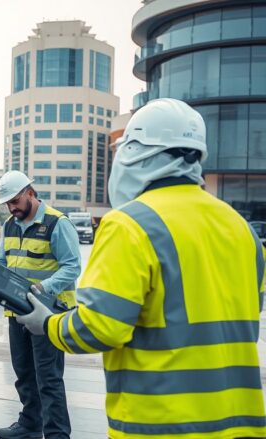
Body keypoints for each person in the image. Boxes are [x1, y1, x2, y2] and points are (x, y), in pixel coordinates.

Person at [16, 98, 266, 438]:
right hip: (241, 424)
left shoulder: (129, 224)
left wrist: (47, 324)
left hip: (163, 423)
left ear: (135, 152)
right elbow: (248, 317)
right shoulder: (242, 229)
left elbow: (101, 327)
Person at [0, 171, 81, 439]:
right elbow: (1, 261)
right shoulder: (10, 224)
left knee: (49, 378)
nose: (12, 207)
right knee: (24, 374)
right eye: (8, 203)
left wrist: (45, 287)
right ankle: (30, 425)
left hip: (48, 314)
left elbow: (73, 266)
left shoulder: (57, 223)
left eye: (16, 201)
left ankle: (56, 434)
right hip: (16, 312)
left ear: (30, 192)